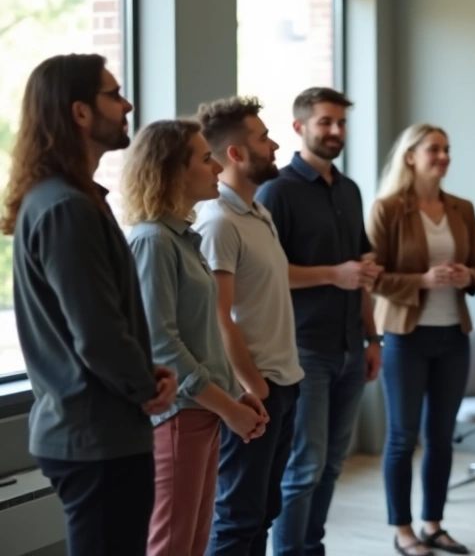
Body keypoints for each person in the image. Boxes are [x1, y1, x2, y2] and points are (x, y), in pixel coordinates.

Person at [2, 53, 175, 556]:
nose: (127, 103)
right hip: (95, 437)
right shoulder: (66, 207)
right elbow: (96, 332)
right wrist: (145, 383)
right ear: (79, 112)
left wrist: (144, 372)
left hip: (101, 430)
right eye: (114, 93)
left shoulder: (73, 199)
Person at [123, 119, 271, 556]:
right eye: (205, 158)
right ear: (173, 171)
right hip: (179, 416)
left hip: (201, 412)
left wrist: (233, 398)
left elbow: (200, 332)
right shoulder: (152, 241)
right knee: (171, 542)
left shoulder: (181, 238)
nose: (216, 167)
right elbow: (162, 346)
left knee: (193, 542)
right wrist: (228, 407)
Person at [257, 87, 384, 556]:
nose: (335, 132)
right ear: (299, 127)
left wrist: (374, 340)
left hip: (352, 346)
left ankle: (312, 548)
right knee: (304, 466)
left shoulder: (349, 191)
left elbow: (360, 273)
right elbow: (268, 277)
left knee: (332, 464)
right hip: (304, 348)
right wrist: (336, 274)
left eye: (341, 123)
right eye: (325, 122)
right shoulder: (278, 191)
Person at [370, 123, 475, 556]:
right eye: (434, 149)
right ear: (410, 156)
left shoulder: (462, 208)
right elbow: (373, 276)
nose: (443, 156)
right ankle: (402, 529)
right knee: (402, 437)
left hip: (453, 336)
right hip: (406, 336)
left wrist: (468, 275)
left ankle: (433, 525)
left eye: (447, 149)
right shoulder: (387, 209)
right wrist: (422, 279)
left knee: (441, 437)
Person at [195, 96, 306, 556]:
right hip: (255, 391)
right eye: (262, 137)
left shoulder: (259, 214)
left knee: (262, 512)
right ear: (236, 154)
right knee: (238, 518)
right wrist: (254, 387)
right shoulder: (218, 221)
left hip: (283, 383)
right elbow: (217, 315)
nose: (275, 143)